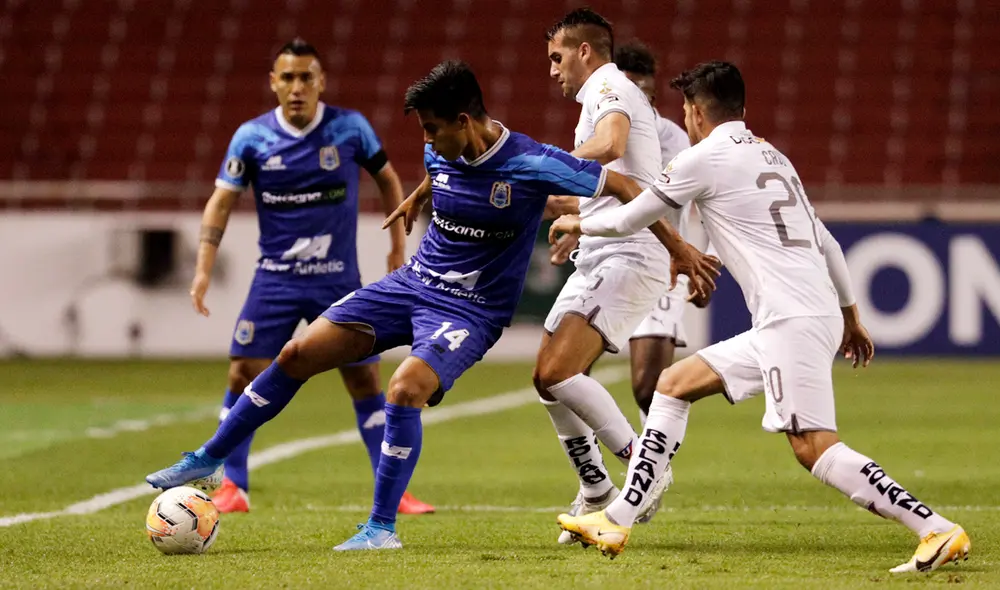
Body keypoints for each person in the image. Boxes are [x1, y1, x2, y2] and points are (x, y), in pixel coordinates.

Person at [146, 59, 718, 551]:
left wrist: (678, 247)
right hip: (410, 285)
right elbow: (440, 169)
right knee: (297, 352)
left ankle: (380, 528)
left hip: (469, 311)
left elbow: (623, 186)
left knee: (403, 389)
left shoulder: (530, 162)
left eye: (432, 130)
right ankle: (208, 459)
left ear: (465, 122)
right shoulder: (442, 150)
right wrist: (418, 196)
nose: (426, 141)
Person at [552, 61, 970, 573]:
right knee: (673, 383)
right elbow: (829, 243)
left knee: (812, 447)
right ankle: (615, 518)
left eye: (685, 111)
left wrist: (576, 218)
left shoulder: (702, 158)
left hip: (789, 319)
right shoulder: (775, 155)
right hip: (802, 312)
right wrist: (851, 317)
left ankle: (934, 528)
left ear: (695, 112)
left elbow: (631, 217)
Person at [187, 38, 432, 515]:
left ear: (321, 83)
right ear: (273, 84)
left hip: (336, 280)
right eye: (288, 77)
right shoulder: (251, 138)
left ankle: (395, 491)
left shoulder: (349, 128)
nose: (297, 87)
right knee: (243, 372)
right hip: (275, 279)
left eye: (306, 77)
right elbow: (221, 201)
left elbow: (386, 178)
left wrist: (397, 246)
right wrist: (202, 269)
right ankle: (233, 484)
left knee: (365, 380)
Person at [538, 9, 718, 541]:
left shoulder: (607, 87)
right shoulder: (606, 89)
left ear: (584, 52)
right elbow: (619, 180)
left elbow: (612, 147)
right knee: (547, 381)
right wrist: (578, 220)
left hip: (630, 253)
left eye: (557, 57)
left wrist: (540, 163)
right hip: (603, 246)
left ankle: (646, 466)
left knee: (562, 373)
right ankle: (596, 488)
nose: (553, 71)